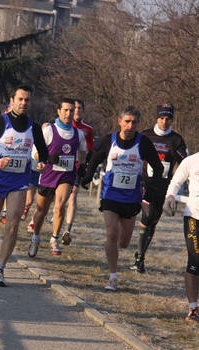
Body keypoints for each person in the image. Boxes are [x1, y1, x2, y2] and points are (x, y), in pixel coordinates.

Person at [81, 105, 163, 291]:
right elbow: (95, 158)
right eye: (127, 121)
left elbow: (158, 167)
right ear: (119, 122)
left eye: (134, 122)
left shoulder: (143, 143)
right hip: (110, 194)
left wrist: (151, 190)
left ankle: (115, 248)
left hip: (131, 197)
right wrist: (87, 176)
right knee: (111, 233)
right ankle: (113, 276)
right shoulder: (109, 140)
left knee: (123, 242)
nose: (130, 125)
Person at [0, 85, 49, 287]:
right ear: (12, 100)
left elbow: (43, 152)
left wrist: (42, 163)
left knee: (13, 224)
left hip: (19, 182)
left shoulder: (34, 127)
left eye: (27, 100)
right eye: (20, 99)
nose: (24, 103)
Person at [130, 103, 188, 273]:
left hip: (163, 185)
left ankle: (140, 257)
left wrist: (175, 151)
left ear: (172, 120)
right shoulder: (145, 135)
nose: (164, 122)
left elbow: (184, 163)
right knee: (146, 216)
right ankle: (139, 257)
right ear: (156, 118)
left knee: (153, 221)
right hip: (145, 183)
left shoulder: (176, 139)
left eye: (168, 118)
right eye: (161, 118)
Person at [28, 97, 87, 258]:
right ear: (59, 111)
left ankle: (54, 239)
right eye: (65, 110)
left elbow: (82, 151)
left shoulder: (78, 133)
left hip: (66, 175)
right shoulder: (49, 131)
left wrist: (81, 165)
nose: (69, 113)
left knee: (60, 206)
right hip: (48, 175)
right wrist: (47, 158)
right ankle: (36, 237)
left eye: (71, 110)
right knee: (41, 211)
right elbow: (35, 153)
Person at [163, 152, 199, 323]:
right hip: (194, 217)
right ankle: (193, 308)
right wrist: (169, 197)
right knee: (195, 259)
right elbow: (176, 182)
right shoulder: (191, 161)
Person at [61, 99, 94, 245]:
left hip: (76, 166)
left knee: (73, 195)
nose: (76, 110)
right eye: (74, 108)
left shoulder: (87, 128)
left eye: (79, 108)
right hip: (61, 165)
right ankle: (55, 217)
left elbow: (90, 148)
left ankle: (67, 230)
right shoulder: (63, 124)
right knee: (60, 198)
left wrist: (86, 164)